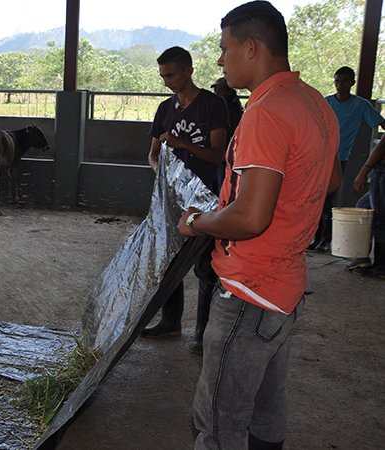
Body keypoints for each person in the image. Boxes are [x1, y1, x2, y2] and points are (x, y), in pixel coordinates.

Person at [178, 2, 340, 447]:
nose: (220, 59)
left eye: (225, 48)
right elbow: (332, 179)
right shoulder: (313, 102)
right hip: (285, 284)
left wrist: (196, 222)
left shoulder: (265, 111)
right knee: (266, 416)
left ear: (251, 47)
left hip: (250, 288)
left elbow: (250, 217)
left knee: (218, 422)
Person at [144, 46, 229, 354]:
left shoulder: (213, 105)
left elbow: (218, 154)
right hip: (173, 198)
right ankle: (171, 321)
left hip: (204, 196)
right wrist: (162, 174)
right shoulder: (165, 108)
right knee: (169, 261)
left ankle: (202, 333)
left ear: (188, 71)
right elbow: (153, 155)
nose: (166, 81)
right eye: (163, 76)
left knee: (206, 266)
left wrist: (181, 144)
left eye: (170, 75)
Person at [310, 66, 385, 252]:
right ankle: (317, 236)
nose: (339, 85)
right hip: (319, 155)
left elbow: (380, 122)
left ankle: (326, 239)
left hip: (339, 157)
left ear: (352, 82)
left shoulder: (360, 105)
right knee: (317, 198)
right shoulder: (326, 102)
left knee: (329, 199)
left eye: (344, 81)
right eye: (336, 81)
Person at [352, 137, 385, 278]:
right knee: (363, 208)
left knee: (379, 219)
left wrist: (364, 171)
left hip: (383, 169)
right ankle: (362, 257)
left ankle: (381, 267)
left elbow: (383, 145)